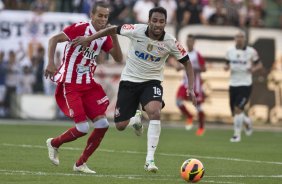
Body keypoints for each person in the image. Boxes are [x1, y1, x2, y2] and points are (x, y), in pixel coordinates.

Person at [72, 7, 197, 173]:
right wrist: (90, 38)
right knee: (120, 125)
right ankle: (135, 119)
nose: (157, 25)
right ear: (149, 21)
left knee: (154, 111)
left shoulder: (170, 41)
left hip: (151, 82)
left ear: (165, 23)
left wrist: (191, 88)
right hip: (129, 81)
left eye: (161, 21)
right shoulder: (135, 30)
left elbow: (187, 62)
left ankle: (150, 160)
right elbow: (112, 29)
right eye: (154, 20)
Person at [44, 2, 123, 174]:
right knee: (82, 128)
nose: (103, 19)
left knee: (102, 124)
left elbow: (118, 58)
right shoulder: (79, 28)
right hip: (71, 83)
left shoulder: (104, 36)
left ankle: (80, 164)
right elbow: (54, 39)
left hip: (88, 84)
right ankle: (54, 143)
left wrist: (113, 34)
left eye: (106, 16)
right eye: (100, 15)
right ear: (92, 15)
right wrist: (51, 62)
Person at [225, 31, 263, 143]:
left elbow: (259, 64)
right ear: (235, 38)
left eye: (242, 37)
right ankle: (247, 121)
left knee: (238, 108)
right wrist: (226, 67)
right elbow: (227, 64)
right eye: (238, 36)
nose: (239, 38)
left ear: (245, 39)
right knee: (235, 112)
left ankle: (236, 135)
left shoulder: (251, 51)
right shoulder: (230, 51)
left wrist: (253, 69)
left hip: (245, 84)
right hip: (233, 84)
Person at [175, 34, 206, 136]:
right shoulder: (184, 53)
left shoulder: (197, 55)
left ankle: (201, 127)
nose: (189, 43)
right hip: (185, 83)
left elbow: (204, 68)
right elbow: (179, 67)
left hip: (196, 84)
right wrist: (178, 67)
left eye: (191, 41)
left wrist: (194, 68)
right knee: (178, 101)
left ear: (194, 42)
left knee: (199, 107)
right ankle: (189, 116)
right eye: (188, 41)